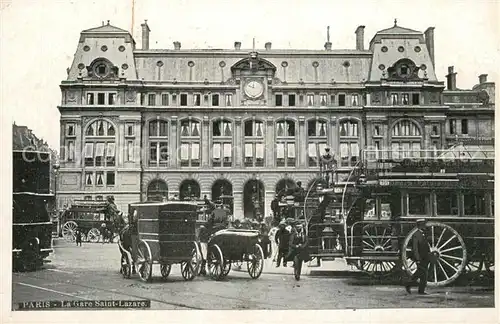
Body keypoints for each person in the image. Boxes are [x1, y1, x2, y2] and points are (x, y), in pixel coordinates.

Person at [405, 219, 431, 295]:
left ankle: (415, 287)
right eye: (423, 224)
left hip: (425, 257)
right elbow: (415, 248)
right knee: (423, 274)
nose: (425, 226)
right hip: (420, 257)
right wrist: (417, 258)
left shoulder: (423, 233)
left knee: (420, 273)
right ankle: (416, 288)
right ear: (420, 225)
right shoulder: (416, 234)